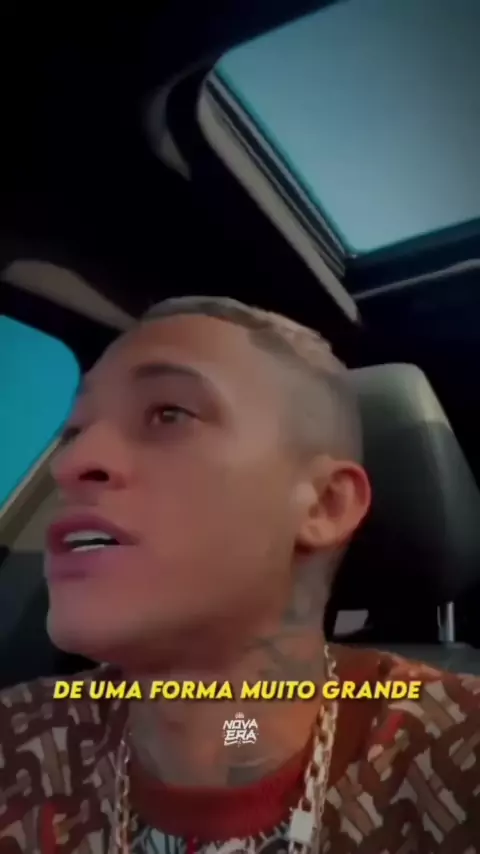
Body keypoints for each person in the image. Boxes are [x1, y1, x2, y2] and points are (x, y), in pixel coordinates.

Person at [0, 296, 479, 854]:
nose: (71, 462)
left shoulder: (461, 746)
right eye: (74, 431)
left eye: (169, 414)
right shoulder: (17, 742)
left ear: (324, 504)